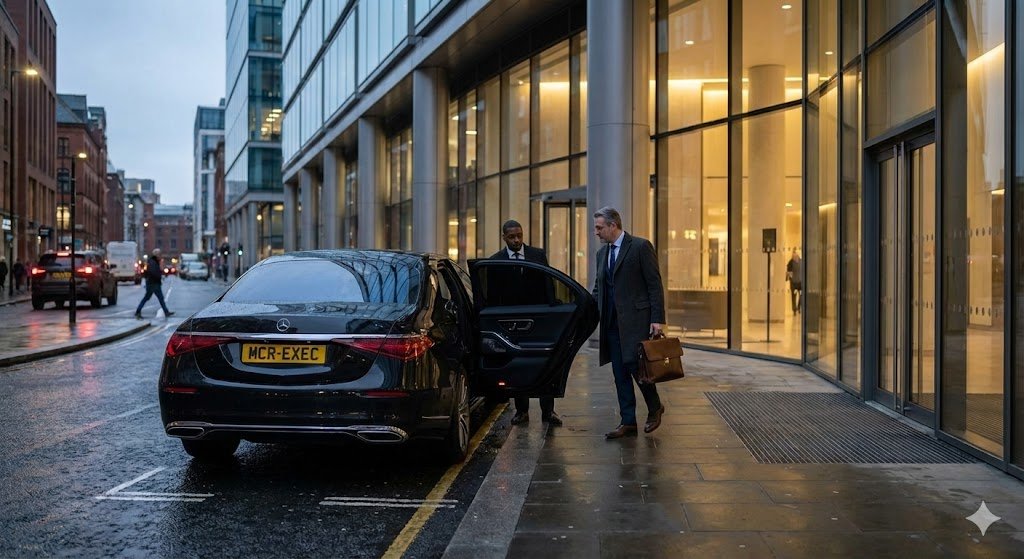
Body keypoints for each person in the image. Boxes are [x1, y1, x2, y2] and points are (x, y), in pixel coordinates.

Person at [592, 206, 666, 439]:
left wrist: (657, 319)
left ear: (613, 225)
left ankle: (655, 407)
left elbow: (654, 284)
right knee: (619, 373)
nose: (597, 232)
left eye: (599, 227)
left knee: (637, 368)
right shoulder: (601, 255)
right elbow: (599, 287)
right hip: (612, 324)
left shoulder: (640, 247)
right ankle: (628, 421)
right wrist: (585, 310)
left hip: (636, 321)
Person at [489, 219, 562, 427]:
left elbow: (549, 285)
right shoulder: (497, 261)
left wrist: (552, 313)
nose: (517, 240)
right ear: (504, 237)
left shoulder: (537, 255)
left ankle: (548, 411)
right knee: (518, 367)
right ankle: (522, 411)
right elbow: (494, 297)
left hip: (539, 321)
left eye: (519, 235)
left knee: (545, 364)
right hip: (513, 325)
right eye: (512, 237)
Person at [135, 248, 174, 319]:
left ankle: (166, 311)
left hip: (153, 283)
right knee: (148, 298)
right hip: (153, 283)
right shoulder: (153, 262)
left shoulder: (154, 261)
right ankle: (138, 311)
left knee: (159, 298)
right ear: (156, 255)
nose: (160, 256)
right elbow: (153, 272)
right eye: (159, 254)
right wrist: (158, 276)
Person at [786, 250, 802, 315]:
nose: (794, 256)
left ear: (798, 255)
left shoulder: (801, 262)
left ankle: (799, 307)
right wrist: (790, 280)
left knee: (801, 296)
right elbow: (788, 272)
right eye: (793, 256)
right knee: (794, 296)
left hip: (800, 283)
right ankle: (794, 310)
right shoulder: (790, 262)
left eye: (795, 255)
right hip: (794, 283)